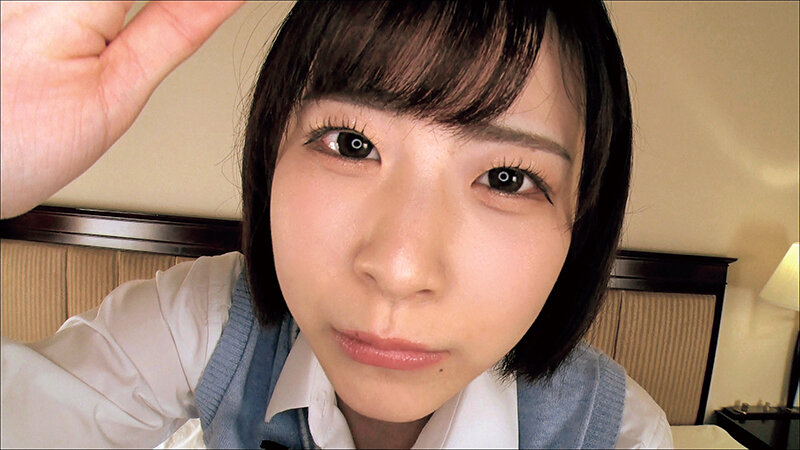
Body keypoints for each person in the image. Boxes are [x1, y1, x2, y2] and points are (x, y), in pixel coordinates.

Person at [0, 1, 673, 448]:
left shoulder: (619, 436)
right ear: (271, 147)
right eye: (352, 144)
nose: (399, 269)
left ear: (579, 223)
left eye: (506, 178)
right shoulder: (206, 323)